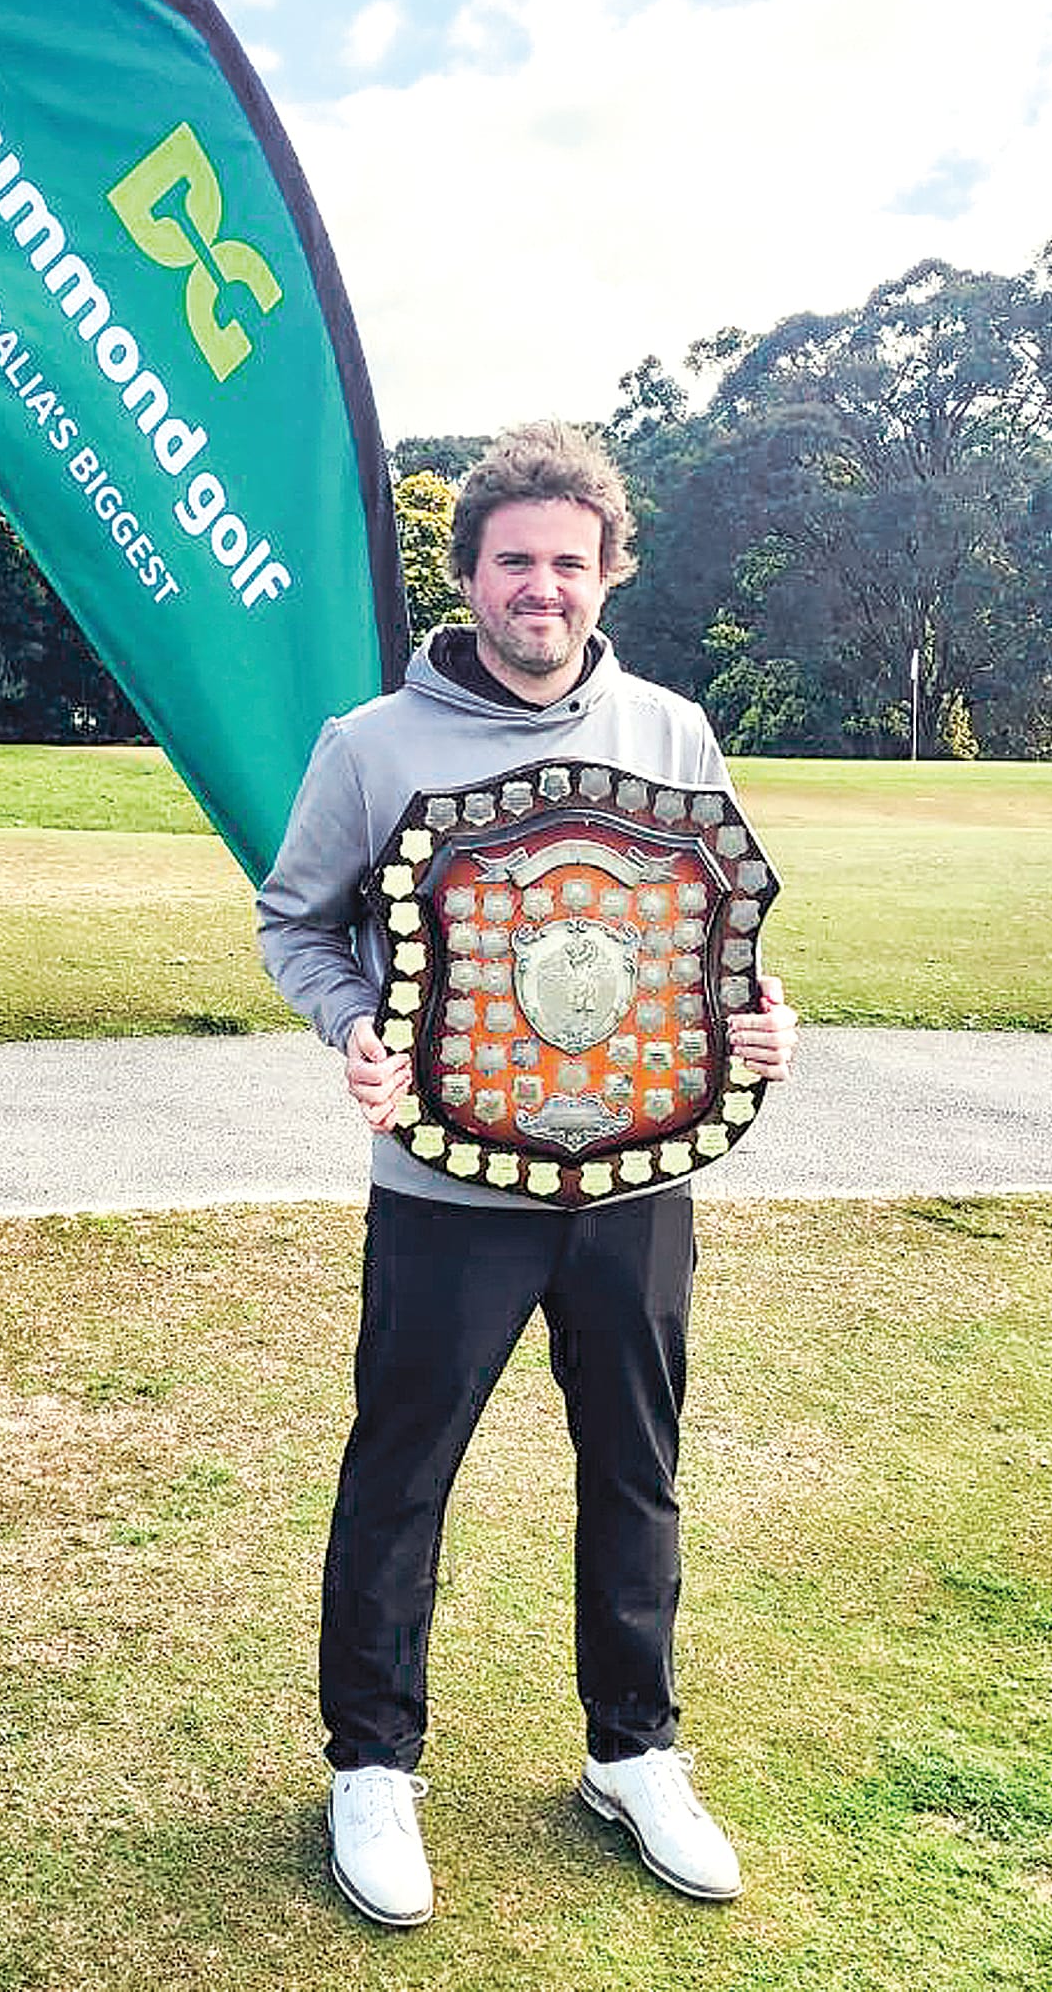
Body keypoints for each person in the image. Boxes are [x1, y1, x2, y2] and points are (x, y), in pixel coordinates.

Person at [255, 420, 798, 1928]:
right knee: (402, 1473)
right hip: (445, 1190)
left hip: (639, 1183)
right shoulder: (373, 747)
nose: (541, 590)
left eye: (569, 562)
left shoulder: (675, 730)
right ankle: (371, 1764)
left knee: (637, 1468)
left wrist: (762, 1018)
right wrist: (354, 1024)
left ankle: (635, 1752)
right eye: (514, 563)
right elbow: (294, 921)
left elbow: (709, 934)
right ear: (470, 574)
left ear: (607, 570)